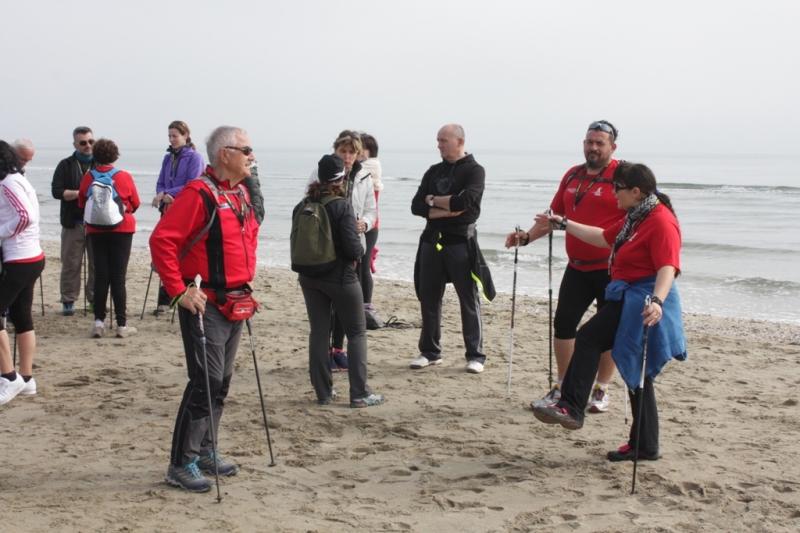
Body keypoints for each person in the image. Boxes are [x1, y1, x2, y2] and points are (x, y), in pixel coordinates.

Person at [531, 162, 687, 463]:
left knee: (589, 337)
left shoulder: (660, 221)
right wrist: (563, 223)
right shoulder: (636, 217)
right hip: (629, 296)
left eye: (617, 188)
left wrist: (657, 300)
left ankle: (571, 407)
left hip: (642, 301)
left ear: (636, 191)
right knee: (637, 370)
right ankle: (645, 445)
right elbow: (603, 237)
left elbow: (668, 266)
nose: (613, 193)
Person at [150, 126, 258, 493]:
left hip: (236, 301)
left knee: (221, 382)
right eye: (246, 150)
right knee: (205, 381)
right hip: (205, 303)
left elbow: (250, 235)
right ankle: (181, 463)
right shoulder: (198, 194)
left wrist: (245, 280)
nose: (251, 156)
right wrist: (179, 291)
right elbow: (162, 240)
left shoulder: (240, 193)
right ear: (225, 154)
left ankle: (206, 450)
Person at [506, 120, 624, 412]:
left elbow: (636, 214)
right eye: (589, 142)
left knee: (606, 330)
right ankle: (563, 386)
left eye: (600, 143)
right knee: (563, 326)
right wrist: (526, 238)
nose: (593, 148)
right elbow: (552, 216)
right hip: (577, 267)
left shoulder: (622, 175)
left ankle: (601, 389)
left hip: (610, 268)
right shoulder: (573, 174)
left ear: (612, 147)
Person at [295, 154, 386, 408]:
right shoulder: (341, 205)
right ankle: (359, 394)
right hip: (341, 279)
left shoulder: (303, 204)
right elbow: (354, 249)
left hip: (309, 277)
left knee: (318, 333)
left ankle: (323, 393)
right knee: (357, 333)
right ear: (341, 178)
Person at [410, 124, 494, 374]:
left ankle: (475, 355)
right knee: (429, 298)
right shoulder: (433, 171)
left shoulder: (475, 170)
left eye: (443, 140)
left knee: (468, 299)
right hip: (431, 240)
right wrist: (442, 205)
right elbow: (416, 206)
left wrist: (433, 202)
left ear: (459, 141)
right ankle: (430, 351)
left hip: (460, 241)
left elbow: (465, 203)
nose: (439, 145)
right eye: (438, 140)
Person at [306, 131, 376, 371]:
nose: (347, 157)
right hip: (323, 244)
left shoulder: (364, 176)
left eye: (351, 152)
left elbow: (371, 210)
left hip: (351, 243)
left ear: (358, 154)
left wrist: (364, 223)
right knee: (324, 304)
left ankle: (338, 348)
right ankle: (325, 351)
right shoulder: (321, 172)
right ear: (335, 150)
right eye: (342, 151)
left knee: (346, 305)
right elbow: (308, 204)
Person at [77, 139, 141, 338]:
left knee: (101, 276)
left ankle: (99, 322)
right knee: (118, 277)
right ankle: (122, 325)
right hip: (122, 229)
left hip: (97, 230)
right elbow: (135, 203)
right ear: (115, 155)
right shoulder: (123, 176)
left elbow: (81, 203)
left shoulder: (89, 177)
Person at [0, 141, 45, 404]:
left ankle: (9, 376)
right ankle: (26, 380)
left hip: (19, 259)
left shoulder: (7, 183)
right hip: (32, 257)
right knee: (21, 317)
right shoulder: (18, 178)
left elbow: (25, 216)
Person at [151, 121, 205, 315]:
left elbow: (194, 183)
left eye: (175, 135)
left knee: (182, 253)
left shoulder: (195, 157)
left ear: (185, 135)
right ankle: (164, 298)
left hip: (184, 208)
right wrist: (162, 194)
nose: (172, 139)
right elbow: (160, 181)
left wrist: (168, 192)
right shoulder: (168, 158)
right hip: (167, 208)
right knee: (165, 251)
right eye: (170, 136)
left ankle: (181, 294)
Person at [51, 126, 96, 316]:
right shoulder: (66, 164)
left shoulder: (100, 163)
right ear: (75, 144)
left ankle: (95, 299)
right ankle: (68, 300)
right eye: (83, 142)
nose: (88, 146)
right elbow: (56, 191)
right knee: (71, 263)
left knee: (97, 264)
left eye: (91, 142)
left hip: (96, 223)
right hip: (73, 221)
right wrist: (80, 194)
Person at [357, 133, 385, 325]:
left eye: (359, 148)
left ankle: (366, 305)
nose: (356, 152)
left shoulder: (372, 164)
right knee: (356, 266)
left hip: (370, 225)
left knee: (363, 266)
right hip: (358, 224)